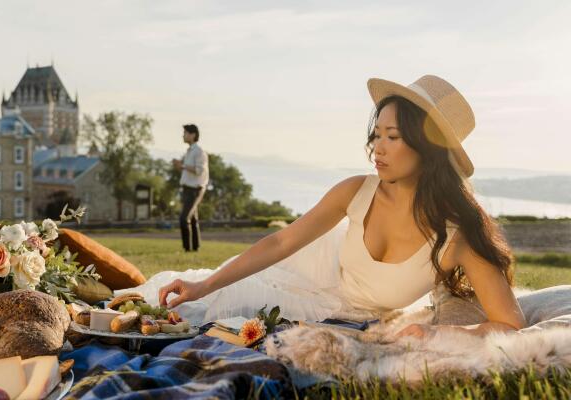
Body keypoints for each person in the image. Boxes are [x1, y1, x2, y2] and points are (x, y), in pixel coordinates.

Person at [159, 75, 527, 339]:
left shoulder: (457, 234)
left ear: (427, 148)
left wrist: (442, 334)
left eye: (393, 137)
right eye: (377, 134)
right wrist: (204, 285)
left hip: (340, 313)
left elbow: (510, 324)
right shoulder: (355, 191)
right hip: (298, 274)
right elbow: (281, 244)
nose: (378, 148)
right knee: (189, 308)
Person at [173, 124, 209, 252]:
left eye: (185, 133)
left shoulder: (199, 152)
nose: (183, 135)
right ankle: (195, 247)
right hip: (188, 188)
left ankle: (187, 249)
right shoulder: (190, 151)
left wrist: (182, 166)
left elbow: (199, 171)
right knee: (193, 219)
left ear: (193, 135)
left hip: (195, 189)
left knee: (184, 218)